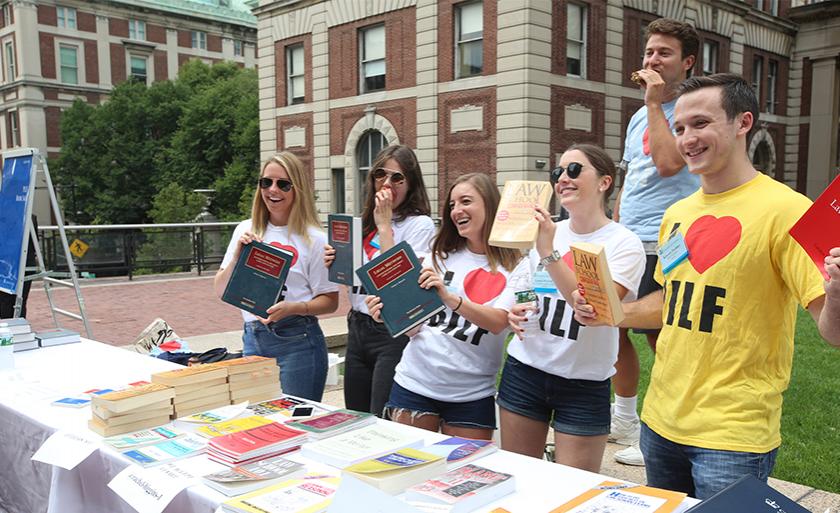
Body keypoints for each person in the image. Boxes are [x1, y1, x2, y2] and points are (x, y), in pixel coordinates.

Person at [573, 73, 840, 499]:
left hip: (733, 434)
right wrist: (613, 312)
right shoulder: (676, 213)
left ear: (742, 123)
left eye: (700, 124)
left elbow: (833, 332)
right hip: (660, 420)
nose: (686, 139)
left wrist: (838, 291)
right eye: (679, 128)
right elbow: (671, 298)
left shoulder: (788, 211)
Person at [499, 144, 644, 472]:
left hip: (584, 382)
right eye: (558, 172)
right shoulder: (549, 232)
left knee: (573, 490)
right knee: (520, 478)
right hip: (526, 371)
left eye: (574, 170)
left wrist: (549, 252)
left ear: (604, 182)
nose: (563, 178)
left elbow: (594, 308)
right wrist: (517, 312)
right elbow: (528, 289)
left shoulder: (623, 243)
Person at [367, 173, 526, 440]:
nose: (457, 211)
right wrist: (388, 313)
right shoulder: (437, 256)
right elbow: (410, 317)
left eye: (466, 201)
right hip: (414, 384)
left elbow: (499, 322)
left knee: (466, 475)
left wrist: (451, 298)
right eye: (452, 205)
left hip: (472, 395)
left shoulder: (517, 266)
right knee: (407, 472)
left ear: (490, 205)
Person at [610, 18, 701, 466]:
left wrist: (653, 104)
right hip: (629, 237)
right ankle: (625, 418)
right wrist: (614, 224)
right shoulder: (636, 118)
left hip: (668, 240)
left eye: (663, 53)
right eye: (649, 52)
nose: (652, 60)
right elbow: (632, 177)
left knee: (661, 335)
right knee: (612, 326)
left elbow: (667, 165)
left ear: (687, 62)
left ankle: (661, 432)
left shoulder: (688, 113)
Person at [215, 152, 338, 402]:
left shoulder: (315, 239)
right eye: (266, 182)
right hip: (253, 337)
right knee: (259, 424)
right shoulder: (245, 229)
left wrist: (295, 308)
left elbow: (330, 301)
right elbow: (220, 291)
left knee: (295, 424)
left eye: (283, 184)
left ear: (298, 189)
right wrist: (238, 255)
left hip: (298, 342)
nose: (273, 190)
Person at [325, 144, 434, 417]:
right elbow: (353, 278)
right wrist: (336, 260)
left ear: (411, 184)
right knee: (356, 415)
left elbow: (399, 281)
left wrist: (385, 226)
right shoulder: (364, 223)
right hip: (358, 324)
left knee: (381, 417)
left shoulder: (419, 225)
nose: (387, 183)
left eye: (397, 178)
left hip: (391, 331)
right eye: (380, 175)